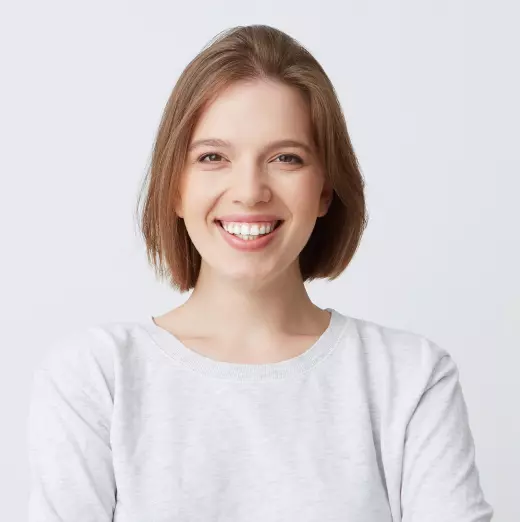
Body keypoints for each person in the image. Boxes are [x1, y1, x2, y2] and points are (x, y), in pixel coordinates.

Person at [27, 24, 493, 521]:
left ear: (324, 190)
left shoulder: (411, 377)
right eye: (213, 157)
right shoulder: (98, 376)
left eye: (285, 158)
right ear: (175, 188)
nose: (250, 191)